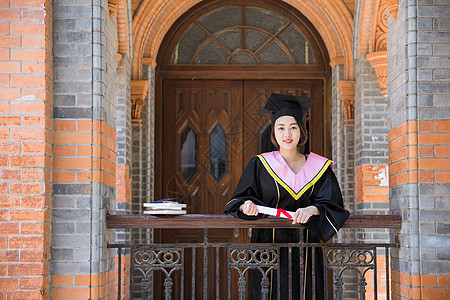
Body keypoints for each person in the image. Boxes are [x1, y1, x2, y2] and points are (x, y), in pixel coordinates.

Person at [224, 93, 350, 299]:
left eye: (293, 126)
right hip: (267, 248)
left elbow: (334, 204)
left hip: (307, 249)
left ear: (302, 130)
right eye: (280, 128)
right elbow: (239, 200)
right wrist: (245, 207)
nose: (287, 133)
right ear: (273, 133)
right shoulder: (259, 164)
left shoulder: (320, 167)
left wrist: (313, 208)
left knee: (306, 292)